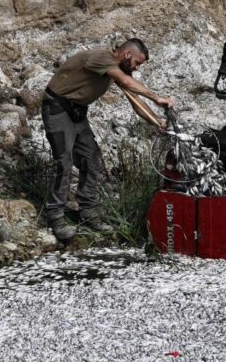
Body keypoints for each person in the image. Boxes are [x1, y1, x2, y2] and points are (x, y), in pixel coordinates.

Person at [42, 38, 174, 242]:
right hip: (58, 109)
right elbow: (128, 82)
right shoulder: (102, 58)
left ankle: (88, 212)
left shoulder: (116, 69)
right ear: (127, 54)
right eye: (137, 63)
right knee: (64, 162)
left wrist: (156, 121)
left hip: (77, 112)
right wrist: (157, 97)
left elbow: (134, 101)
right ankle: (56, 217)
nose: (137, 68)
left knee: (91, 159)